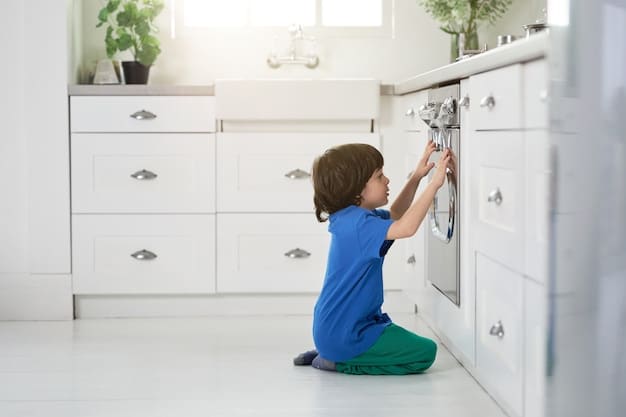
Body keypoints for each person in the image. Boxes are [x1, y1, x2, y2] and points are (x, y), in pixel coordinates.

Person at [293, 140, 451, 375]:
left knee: (402, 342)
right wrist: (435, 184)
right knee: (425, 352)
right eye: (379, 176)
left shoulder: (352, 217)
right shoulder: (359, 225)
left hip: (336, 328)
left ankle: (329, 352)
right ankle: (339, 360)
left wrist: (417, 177)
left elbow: (397, 215)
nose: (387, 180)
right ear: (356, 189)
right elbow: (406, 227)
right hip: (348, 333)